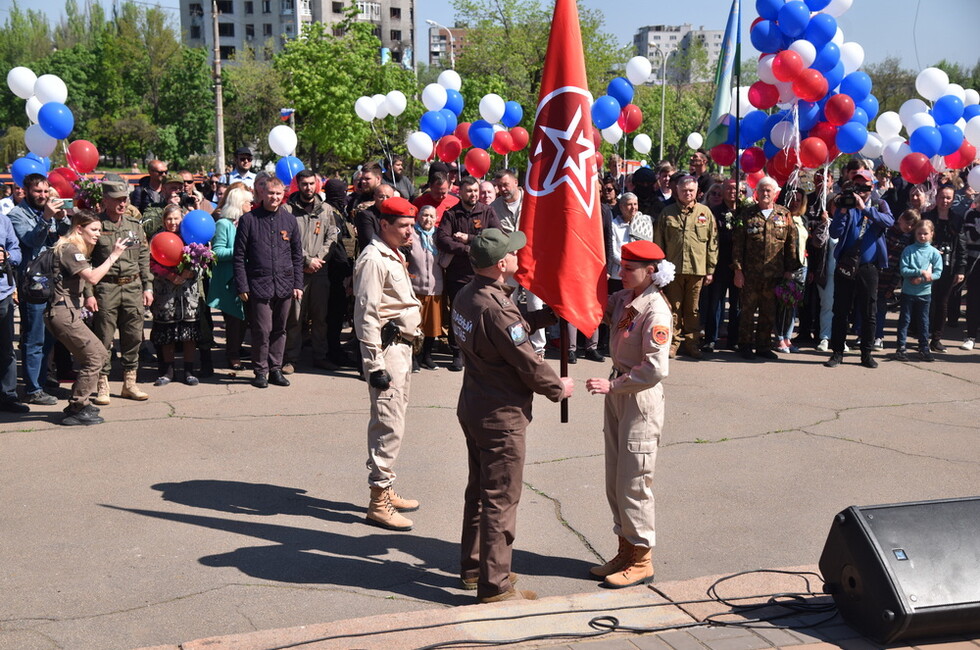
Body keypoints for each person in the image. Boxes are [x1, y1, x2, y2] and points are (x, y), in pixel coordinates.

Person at [453, 227, 572, 602]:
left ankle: (475, 568)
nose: (519, 257)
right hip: (501, 415)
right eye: (513, 253)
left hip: (475, 405)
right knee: (501, 498)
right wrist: (559, 388)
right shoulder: (497, 309)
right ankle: (495, 585)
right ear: (501, 263)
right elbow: (526, 361)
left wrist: (539, 321)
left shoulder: (468, 294)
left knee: (480, 493)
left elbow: (498, 338)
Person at [585, 240, 672, 589]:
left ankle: (642, 558)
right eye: (621, 265)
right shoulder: (625, 298)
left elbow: (654, 369)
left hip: (638, 396)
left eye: (629, 268)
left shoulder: (656, 310)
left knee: (635, 480)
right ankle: (624, 548)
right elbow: (596, 309)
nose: (621, 273)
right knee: (615, 478)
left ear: (650, 272)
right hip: (619, 390)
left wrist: (616, 386)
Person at [353, 197, 423, 531]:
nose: (411, 231)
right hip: (387, 351)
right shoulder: (373, 258)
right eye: (405, 226)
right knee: (388, 422)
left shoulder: (392, 252)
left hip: (403, 348)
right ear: (384, 225)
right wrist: (374, 365)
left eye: (411, 224)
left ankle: (387, 488)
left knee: (396, 419)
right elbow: (365, 314)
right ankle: (378, 500)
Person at [45, 211, 131, 425]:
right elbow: (92, 277)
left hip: (68, 312)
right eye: (94, 229)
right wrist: (114, 255)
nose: (98, 234)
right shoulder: (69, 249)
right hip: (62, 314)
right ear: (78, 229)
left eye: (100, 230)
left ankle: (79, 402)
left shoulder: (72, 249)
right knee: (94, 357)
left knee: (99, 354)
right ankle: (77, 407)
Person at [86, 177, 153, 404]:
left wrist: (148, 286)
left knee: (133, 336)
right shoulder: (97, 226)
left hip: (133, 287)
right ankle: (102, 384)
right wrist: (88, 293)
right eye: (117, 200)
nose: (122, 204)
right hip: (106, 287)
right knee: (104, 336)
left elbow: (143, 257)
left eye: (124, 199)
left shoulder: (134, 226)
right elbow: (86, 262)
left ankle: (129, 383)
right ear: (105, 200)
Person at [233, 177, 304, 388]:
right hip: (259, 284)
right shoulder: (249, 220)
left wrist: (298, 284)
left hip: (284, 284)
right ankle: (260, 371)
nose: (274, 197)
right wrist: (242, 285)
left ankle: (275, 369)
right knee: (262, 329)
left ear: (284, 195)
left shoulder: (290, 221)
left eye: (278, 194)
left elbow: (296, 255)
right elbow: (239, 256)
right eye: (271, 193)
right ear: (263, 193)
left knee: (280, 329)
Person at [824, 170, 894, 369]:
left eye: (865, 187)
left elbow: (889, 221)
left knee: (869, 312)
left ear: (872, 188)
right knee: (840, 311)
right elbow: (834, 232)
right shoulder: (845, 205)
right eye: (857, 187)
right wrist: (843, 212)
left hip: (868, 267)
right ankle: (837, 352)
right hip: (846, 265)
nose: (861, 191)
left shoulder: (879, 204)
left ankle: (866, 353)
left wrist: (865, 209)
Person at [8, 173, 63, 405]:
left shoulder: (47, 211)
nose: (43, 196)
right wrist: (46, 219)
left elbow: (60, 239)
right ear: (26, 191)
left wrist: (61, 218)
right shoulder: (16, 215)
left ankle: (41, 381)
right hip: (32, 284)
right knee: (34, 338)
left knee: (50, 336)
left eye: (45, 191)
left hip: (53, 279)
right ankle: (32, 389)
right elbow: (31, 241)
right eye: (37, 191)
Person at [436, 176, 501, 371]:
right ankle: (457, 353)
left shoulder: (487, 211)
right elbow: (443, 240)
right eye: (469, 191)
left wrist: (469, 238)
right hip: (458, 275)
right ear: (460, 192)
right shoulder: (452, 214)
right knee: (458, 315)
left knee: (482, 315)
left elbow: (496, 237)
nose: (473, 194)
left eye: (475, 191)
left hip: (482, 276)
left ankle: (481, 353)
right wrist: (468, 249)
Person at [732, 177, 800, 360]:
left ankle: (763, 346)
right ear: (757, 192)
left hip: (774, 274)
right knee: (747, 311)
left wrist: (790, 269)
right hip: (750, 274)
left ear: (775, 193)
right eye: (762, 190)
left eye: (769, 190)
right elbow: (738, 245)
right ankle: (745, 345)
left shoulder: (784, 214)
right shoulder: (747, 214)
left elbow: (791, 243)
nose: (765, 193)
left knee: (768, 312)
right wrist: (738, 270)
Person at [283, 169, 342, 373]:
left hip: (320, 272)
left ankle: (320, 356)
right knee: (295, 318)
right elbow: (286, 239)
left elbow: (332, 236)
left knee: (320, 318)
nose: (308, 188)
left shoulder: (326, 210)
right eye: (304, 184)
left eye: (311, 184)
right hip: (297, 273)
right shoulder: (287, 210)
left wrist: (319, 259)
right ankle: (291, 358)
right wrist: (306, 259)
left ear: (317, 185)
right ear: (298, 185)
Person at [652, 175, 717, 359]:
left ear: (696, 191)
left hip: (697, 269)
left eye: (691, 190)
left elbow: (713, 243)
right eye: (684, 190)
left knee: (693, 309)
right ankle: (673, 343)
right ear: (677, 191)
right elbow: (659, 242)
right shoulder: (667, 213)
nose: (687, 194)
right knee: (673, 308)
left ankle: (692, 343)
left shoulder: (705, 213)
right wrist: (659, 268)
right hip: (673, 271)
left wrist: (710, 270)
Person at [149, 205, 202, 386]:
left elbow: (204, 259)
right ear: (164, 221)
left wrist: (190, 272)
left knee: (189, 333)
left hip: (188, 295)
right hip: (166, 294)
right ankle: (167, 372)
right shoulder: (157, 239)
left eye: (176, 219)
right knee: (167, 333)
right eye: (169, 219)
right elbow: (151, 262)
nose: (173, 222)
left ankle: (189, 371)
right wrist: (169, 275)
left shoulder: (191, 237)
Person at [208, 185, 252, 370]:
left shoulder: (247, 222)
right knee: (234, 320)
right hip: (228, 280)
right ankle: (232, 355)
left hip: (245, 278)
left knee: (244, 319)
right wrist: (242, 252)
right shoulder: (224, 224)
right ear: (239, 203)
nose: (251, 204)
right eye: (248, 202)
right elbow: (216, 252)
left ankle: (237, 350)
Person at [921, 184, 965, 352]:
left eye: (948, 198)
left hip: (948, 266)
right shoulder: (926, 217)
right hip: (927, 265)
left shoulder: (957, 219)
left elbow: (962, 246)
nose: (944, 201)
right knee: (926, 302)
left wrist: (960, 269)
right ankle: (923, 336)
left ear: (953, 200)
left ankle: (937, 338)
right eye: (942, 197)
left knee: (942, 302)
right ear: (936, 197)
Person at [701, 179, 742, 352]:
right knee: (715, 304)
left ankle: (734, 339)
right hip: (719, 264)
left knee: (737, 305)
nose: (732, 191)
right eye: (728, 188)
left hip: (739, 266)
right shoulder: (714, 212)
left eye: (735, 188)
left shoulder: (744, 211)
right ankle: (711, 338)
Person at [894, 220, 943, 362]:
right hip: (908, 293)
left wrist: (922, 279)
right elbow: (904, 270)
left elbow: (938, 273)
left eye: (925, 234)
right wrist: (920, 271)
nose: (922, 236)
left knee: (923, 321)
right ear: (915, 234)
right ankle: (901, 347)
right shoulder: (909, 250)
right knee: (905, 320)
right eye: (919, 233)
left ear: (931, 234)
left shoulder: (934, 252)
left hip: (925, 293)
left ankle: (924, 347)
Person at [406, 205, 443, 371]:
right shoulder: (411, 234)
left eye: (431, 216)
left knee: (431, 325)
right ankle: (413, 357)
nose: (428, 219)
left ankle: (426, 356)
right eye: (424, 215)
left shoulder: (439, 235)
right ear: (418, 216)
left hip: (435, 286)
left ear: (436, 219)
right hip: (415, 286)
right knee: (414, 325)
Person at [775, 188, 809, 353]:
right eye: (793, 198)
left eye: (799, 199)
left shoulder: (803, 219)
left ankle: (788, 338)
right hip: (788, 267)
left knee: (793, 305)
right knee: (783, 304)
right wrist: (786, 268)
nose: (795, 202)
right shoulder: (782, 218)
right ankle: (780, 338)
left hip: (802, 266)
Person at [0, 210, 27, 413]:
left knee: (6, 348)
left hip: (3, 293)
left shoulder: (3, 220)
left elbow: (16, 250)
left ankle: (8, 395)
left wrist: (7, 255)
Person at [959, 196, 980, 350]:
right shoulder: (971, 214)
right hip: (974, 262)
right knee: (973, 299)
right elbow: (971, 238)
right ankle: (971, 336)